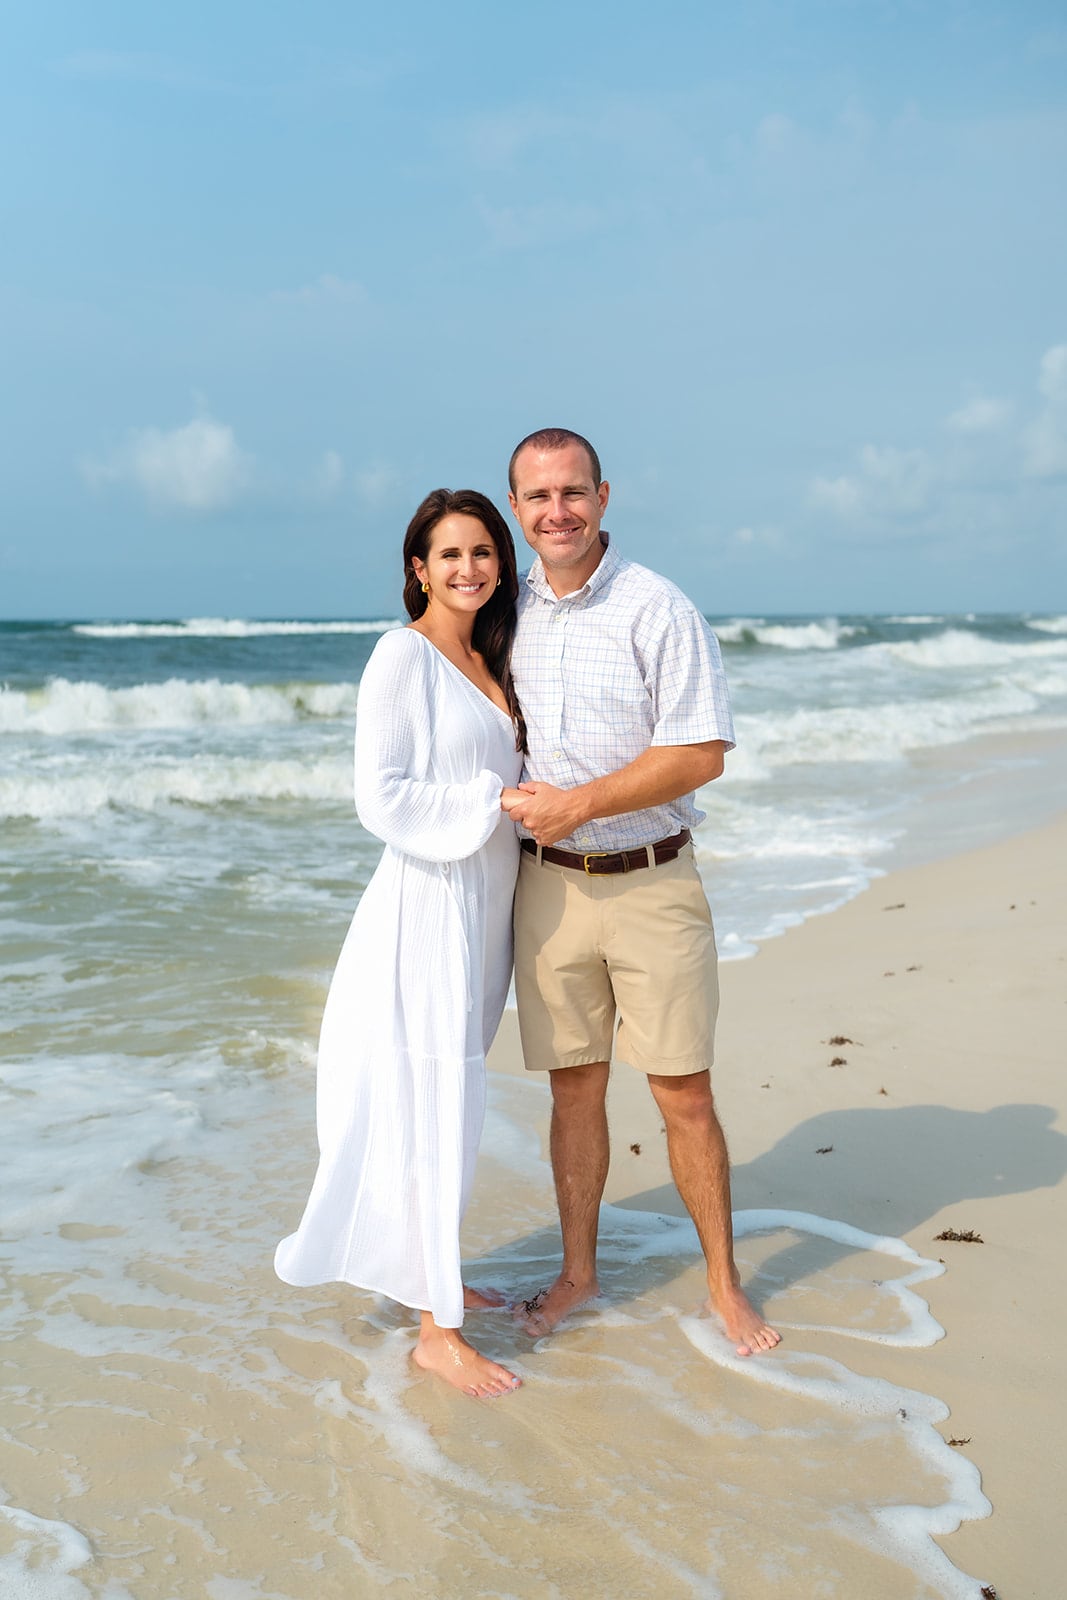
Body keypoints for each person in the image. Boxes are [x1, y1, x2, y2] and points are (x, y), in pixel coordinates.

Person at [501, 429, 781, 1357]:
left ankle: (723, 1285)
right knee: (573, 1093)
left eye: (572, 492)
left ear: (604, 496)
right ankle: (578, 1275)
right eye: (538, 497)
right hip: (545, 890)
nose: (557, 512)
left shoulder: (659, 607)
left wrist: (582, 801)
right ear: (517, 509)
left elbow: (702, 750)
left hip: (654, 879)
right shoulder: (503, 613)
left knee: (683, 1097)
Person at [275, 488, 529, 1398]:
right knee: (433, 1101)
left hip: (484, 906)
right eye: (449, 554)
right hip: (428, 906)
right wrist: (491, 803)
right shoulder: (402, 656)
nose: (468, 569)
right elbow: (379, 797)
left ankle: (434, 1278)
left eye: (483, 552)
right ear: (417, 569)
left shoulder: (492, 657)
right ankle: (436, 1333)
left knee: (453, 1094)